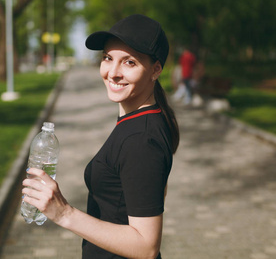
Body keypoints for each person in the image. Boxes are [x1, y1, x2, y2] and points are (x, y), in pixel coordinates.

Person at [22, 14, 179, 259]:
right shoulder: (145, 119)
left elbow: (147, 247)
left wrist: (64, 213)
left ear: (155, 70)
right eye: (107, 58)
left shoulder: (141, 140)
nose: (112, 73)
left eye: (129, 62)